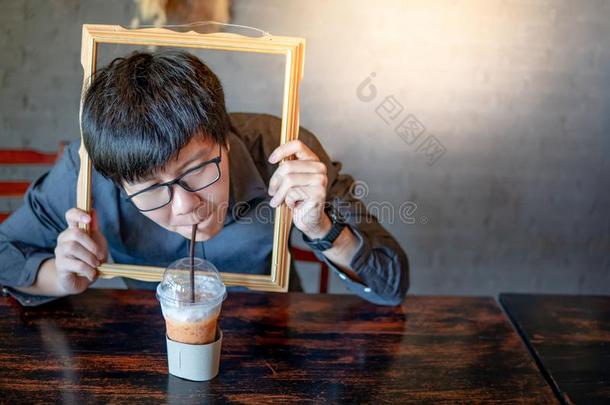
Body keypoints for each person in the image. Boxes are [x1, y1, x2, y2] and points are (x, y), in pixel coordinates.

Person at [0, 51, 409, 306]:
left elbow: (391, 286)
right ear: (120, 183)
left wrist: (322, 228)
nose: (186, 206)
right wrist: (59, 276)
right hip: (146, 337)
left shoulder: (281, 147)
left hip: (273, 333)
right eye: (151, 190)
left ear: (225, 139)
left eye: (197, 169)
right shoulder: (88, 170)